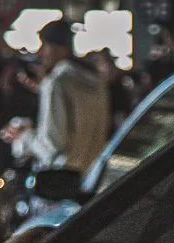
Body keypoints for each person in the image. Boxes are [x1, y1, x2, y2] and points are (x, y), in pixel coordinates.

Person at [26, 18, 112, 171]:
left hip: (62, 175)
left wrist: (25, 138)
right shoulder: (96, 82)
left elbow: (52, 145)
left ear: (60, 48)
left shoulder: (57, 83)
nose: (40, 52)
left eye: (45, 45)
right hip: (92, 172)